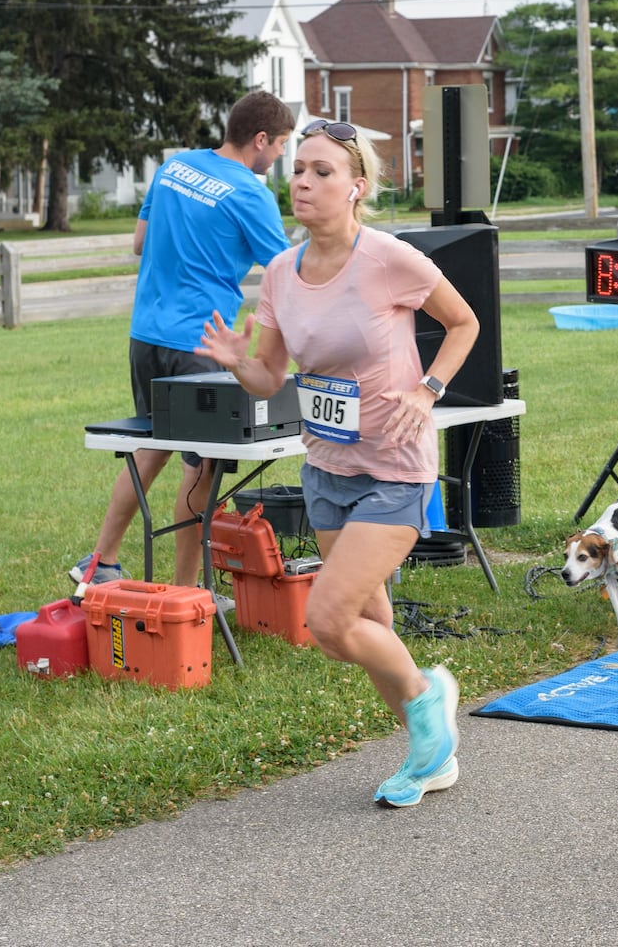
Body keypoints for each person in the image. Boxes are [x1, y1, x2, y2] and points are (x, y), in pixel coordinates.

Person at [196, 118, 480, 809]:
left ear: (356, 188)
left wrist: (427, 388)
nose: (303, 182)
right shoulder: (282, 272)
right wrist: (241, 365)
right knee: (369, 621)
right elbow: (271, 378)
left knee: (327, 621)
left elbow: (463, 322)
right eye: (298, 169)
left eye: (322, 172)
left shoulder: (388, 258)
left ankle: (429, 699)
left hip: (395, 468)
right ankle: (427, 757)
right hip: (326, 470)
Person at [69, 91, 295, 592]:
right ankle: (190, 592)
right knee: (204, 465)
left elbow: (139, 242)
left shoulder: (175, 168)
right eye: (280, 145)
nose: (280, 156)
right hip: (201, 344)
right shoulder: (251, 195)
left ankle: (103, 560)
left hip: (146, 332)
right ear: (260, 139)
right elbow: (287, 272)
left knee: (153, 447)